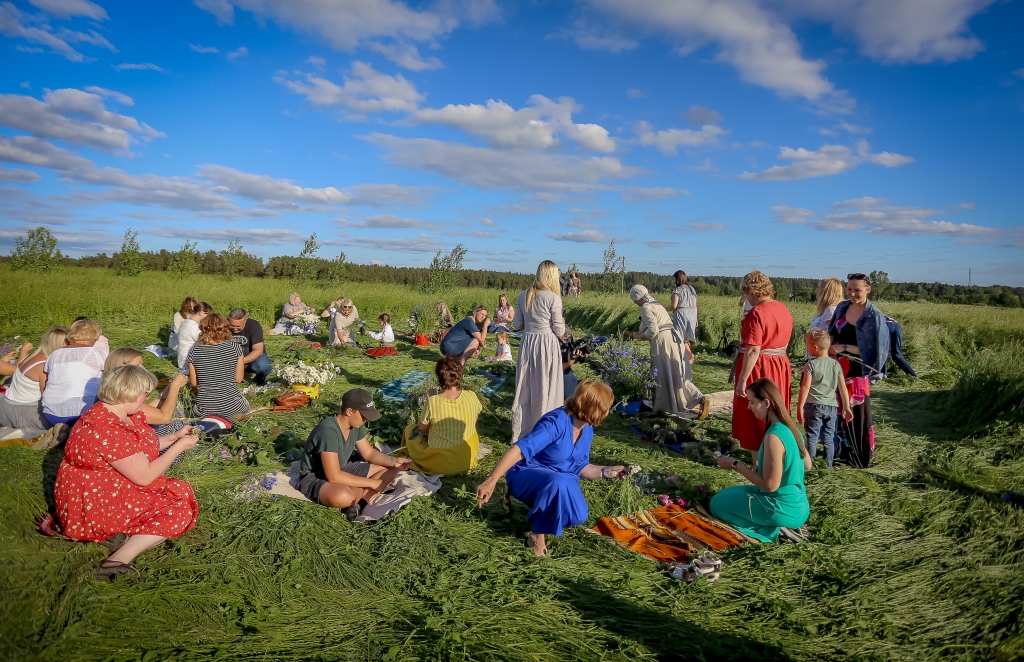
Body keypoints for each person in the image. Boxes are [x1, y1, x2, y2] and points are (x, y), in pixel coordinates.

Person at [53, 364, 200, 579]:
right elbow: (144, 476)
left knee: (177, 490)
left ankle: (119, 535)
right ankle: (118, 559)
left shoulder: (110, 412)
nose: (145, 399)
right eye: (144, 394)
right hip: (95, 503)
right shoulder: (107, 429)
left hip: (101, 491)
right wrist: (178, 448)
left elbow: (135, 452)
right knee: (179, 511)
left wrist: (173, 437)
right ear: (130, 394)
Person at [476, 380, 626, 557]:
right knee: (559, 482)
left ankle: (543, 510)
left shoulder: (587, 429)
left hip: (559, 481)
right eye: (606, 408)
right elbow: (519, 450)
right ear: (595, 409)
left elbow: (579, 465)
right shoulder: (556, 422)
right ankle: (538, 535)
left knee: (578, 515)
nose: (608, 412)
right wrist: (492, 480)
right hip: (526, 475)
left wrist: (606, 471)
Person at [711, 378, 811, 542]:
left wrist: (735, 465)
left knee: (717, 505)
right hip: (799, 504)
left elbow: (771, 486)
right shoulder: (791, 428)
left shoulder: (773, 437)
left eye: (751, 402)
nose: (749, 407)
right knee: (725, 495)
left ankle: (775, 531)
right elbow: (807, 465)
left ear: (766, 402)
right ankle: (781, 526)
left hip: (780, 508)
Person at [296, 388, 411, 520]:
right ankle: (360, 496)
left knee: (391, 469)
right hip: (316, 476)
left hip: (343, 468)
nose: (366, 419)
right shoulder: (329, 432)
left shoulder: (355, 426)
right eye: (363, 415)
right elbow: (333, 476)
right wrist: (371, 483)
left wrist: (394, 461)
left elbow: (369, 454)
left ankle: (360, 503)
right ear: (349, 411)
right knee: (344, 497)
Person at [828, 273, 890, 469]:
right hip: (838, 368)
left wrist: (844, 347)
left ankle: (857, 458)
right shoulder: (842, 307)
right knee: (838, 412)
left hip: (858, 372)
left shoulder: (874, 316)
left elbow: (874, 353)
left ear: (868, 289)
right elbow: (831, 333)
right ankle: (840, 454)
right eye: (849, 289)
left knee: (855, 415)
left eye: (857, 290)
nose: (853, 294)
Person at [732, 271, 793, 466]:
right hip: (779, 365)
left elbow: (753, 349)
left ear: (750, 292)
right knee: (776, 409)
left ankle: (760, 465)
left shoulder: (757, 312)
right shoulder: (782, 308)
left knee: (755, 411)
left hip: (760, 367)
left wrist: (742, 380)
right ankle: (779, 453)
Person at [622, 285, 711, 419]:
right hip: (675, 338)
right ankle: (699, 398)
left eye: (634, 299)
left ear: (639, 297)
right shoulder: (656, 304)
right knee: (678, 372)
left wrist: (632, 335)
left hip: (663, 342)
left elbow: (652, 331)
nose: (634, 302)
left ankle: (664, 406)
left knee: (663, 373)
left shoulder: (646, 307)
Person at [511, 260, 567, 441]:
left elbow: (517, 324)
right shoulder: (553, 298)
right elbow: (559, 330)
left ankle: (523, 429)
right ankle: (545, 431)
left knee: (526, 385)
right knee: (546, 384)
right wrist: (565, 329)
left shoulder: (523, 295)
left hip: (528, 342)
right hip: (546, 344)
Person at [404, 355, 483, 475]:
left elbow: (422, 428)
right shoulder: (471, 395)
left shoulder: (433, 401)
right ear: (460, 375)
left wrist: (431, 397)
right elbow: (475, 418)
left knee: (410, 430)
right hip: (467, 460)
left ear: (439, 378)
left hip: (442, 464)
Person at [797, 329, 853, 468]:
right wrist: (846, 407)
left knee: (812, 436)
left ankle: (810, 465)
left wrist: (799, 407)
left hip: (813, 406)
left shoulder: (810, 365)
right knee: (828, 437)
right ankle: (827, 467)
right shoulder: (835, 365)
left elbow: (805, 388)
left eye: (808, 345)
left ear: (815, 347)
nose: (807, 348)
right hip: (832, 407)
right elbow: (842, 388)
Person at [0, 327, 68, 439]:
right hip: (20, 411)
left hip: (7, 406)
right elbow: (48, 398)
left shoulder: (31, 356)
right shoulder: (44, 366)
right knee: (61, 418)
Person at [41, 318, 110, 427]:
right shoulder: (99, 353)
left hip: (50, 412)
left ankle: (64, 430)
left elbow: (46, 381)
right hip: (82, 413)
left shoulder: (55, 354)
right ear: (95, 336)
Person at [104, 348, 190, 428]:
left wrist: (169, 387)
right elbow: (164, 418)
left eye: (142, 364)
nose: (143, 368)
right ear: (122, 367)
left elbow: (143, 410)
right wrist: (175, 388)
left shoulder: (113, 389)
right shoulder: (123, 394)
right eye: (137, 365)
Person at [188, 313, 249, 420]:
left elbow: (194, 382)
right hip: (232, 407)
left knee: (196, 408)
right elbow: (239, 379)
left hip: (205, 410)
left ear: (203, 328)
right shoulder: (235, 347)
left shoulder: (194, 349)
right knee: (244, 403)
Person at [227, 308, 272, 386]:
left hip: (250, 360)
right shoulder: (223, 325)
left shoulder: (254, 326)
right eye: (232, 325)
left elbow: (258, 350)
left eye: (238, 326)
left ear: (245, 321)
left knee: (263, 365)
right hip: (229, 359)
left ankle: (259, 379)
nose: (235, 329)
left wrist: (240, 362)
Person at [669, 270, 698, 356]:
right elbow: (695, 306)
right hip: (692, 314)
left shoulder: (677, 290)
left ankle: (687, 356)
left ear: (677, 279)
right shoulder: (691, 289)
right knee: (687, 338)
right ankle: (687, 355)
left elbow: (674, 306)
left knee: (680, 337)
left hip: (681, 314)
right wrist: (696, 318)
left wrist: (666, 309)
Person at [176, 301, 211, 371]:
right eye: (207, 314)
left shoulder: (186, 322)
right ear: (201, 313)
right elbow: (205, 341)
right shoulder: (193, 327)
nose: (208, 317)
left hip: (182, 357)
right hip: (188, 361)